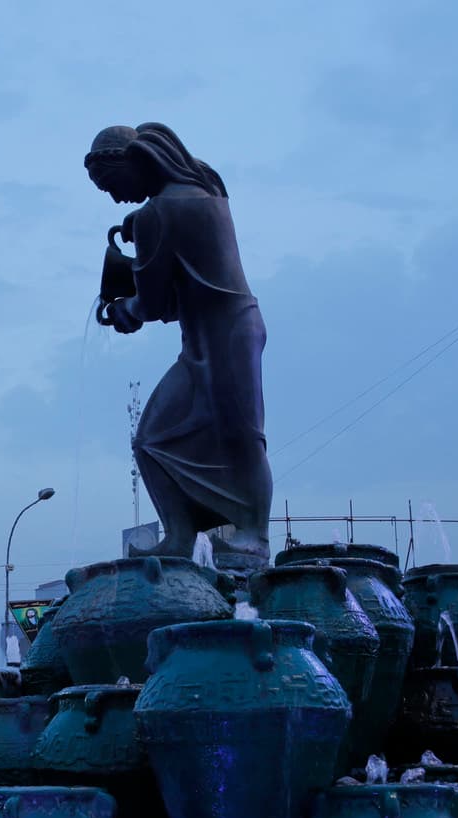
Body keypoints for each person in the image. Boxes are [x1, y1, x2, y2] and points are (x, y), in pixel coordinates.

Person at [86, 122, 271, 564]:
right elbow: (186, 268)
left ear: (134, 163)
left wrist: (120, 312)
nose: (115, 198)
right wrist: (146, 231)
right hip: (222, 331)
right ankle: (181, 536)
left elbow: (149, 304)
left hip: (223, 335)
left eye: (112, 186)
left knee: (241, 436)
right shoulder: (206, 193)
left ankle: (254, 537)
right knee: (155, 439)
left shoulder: (158, 215)